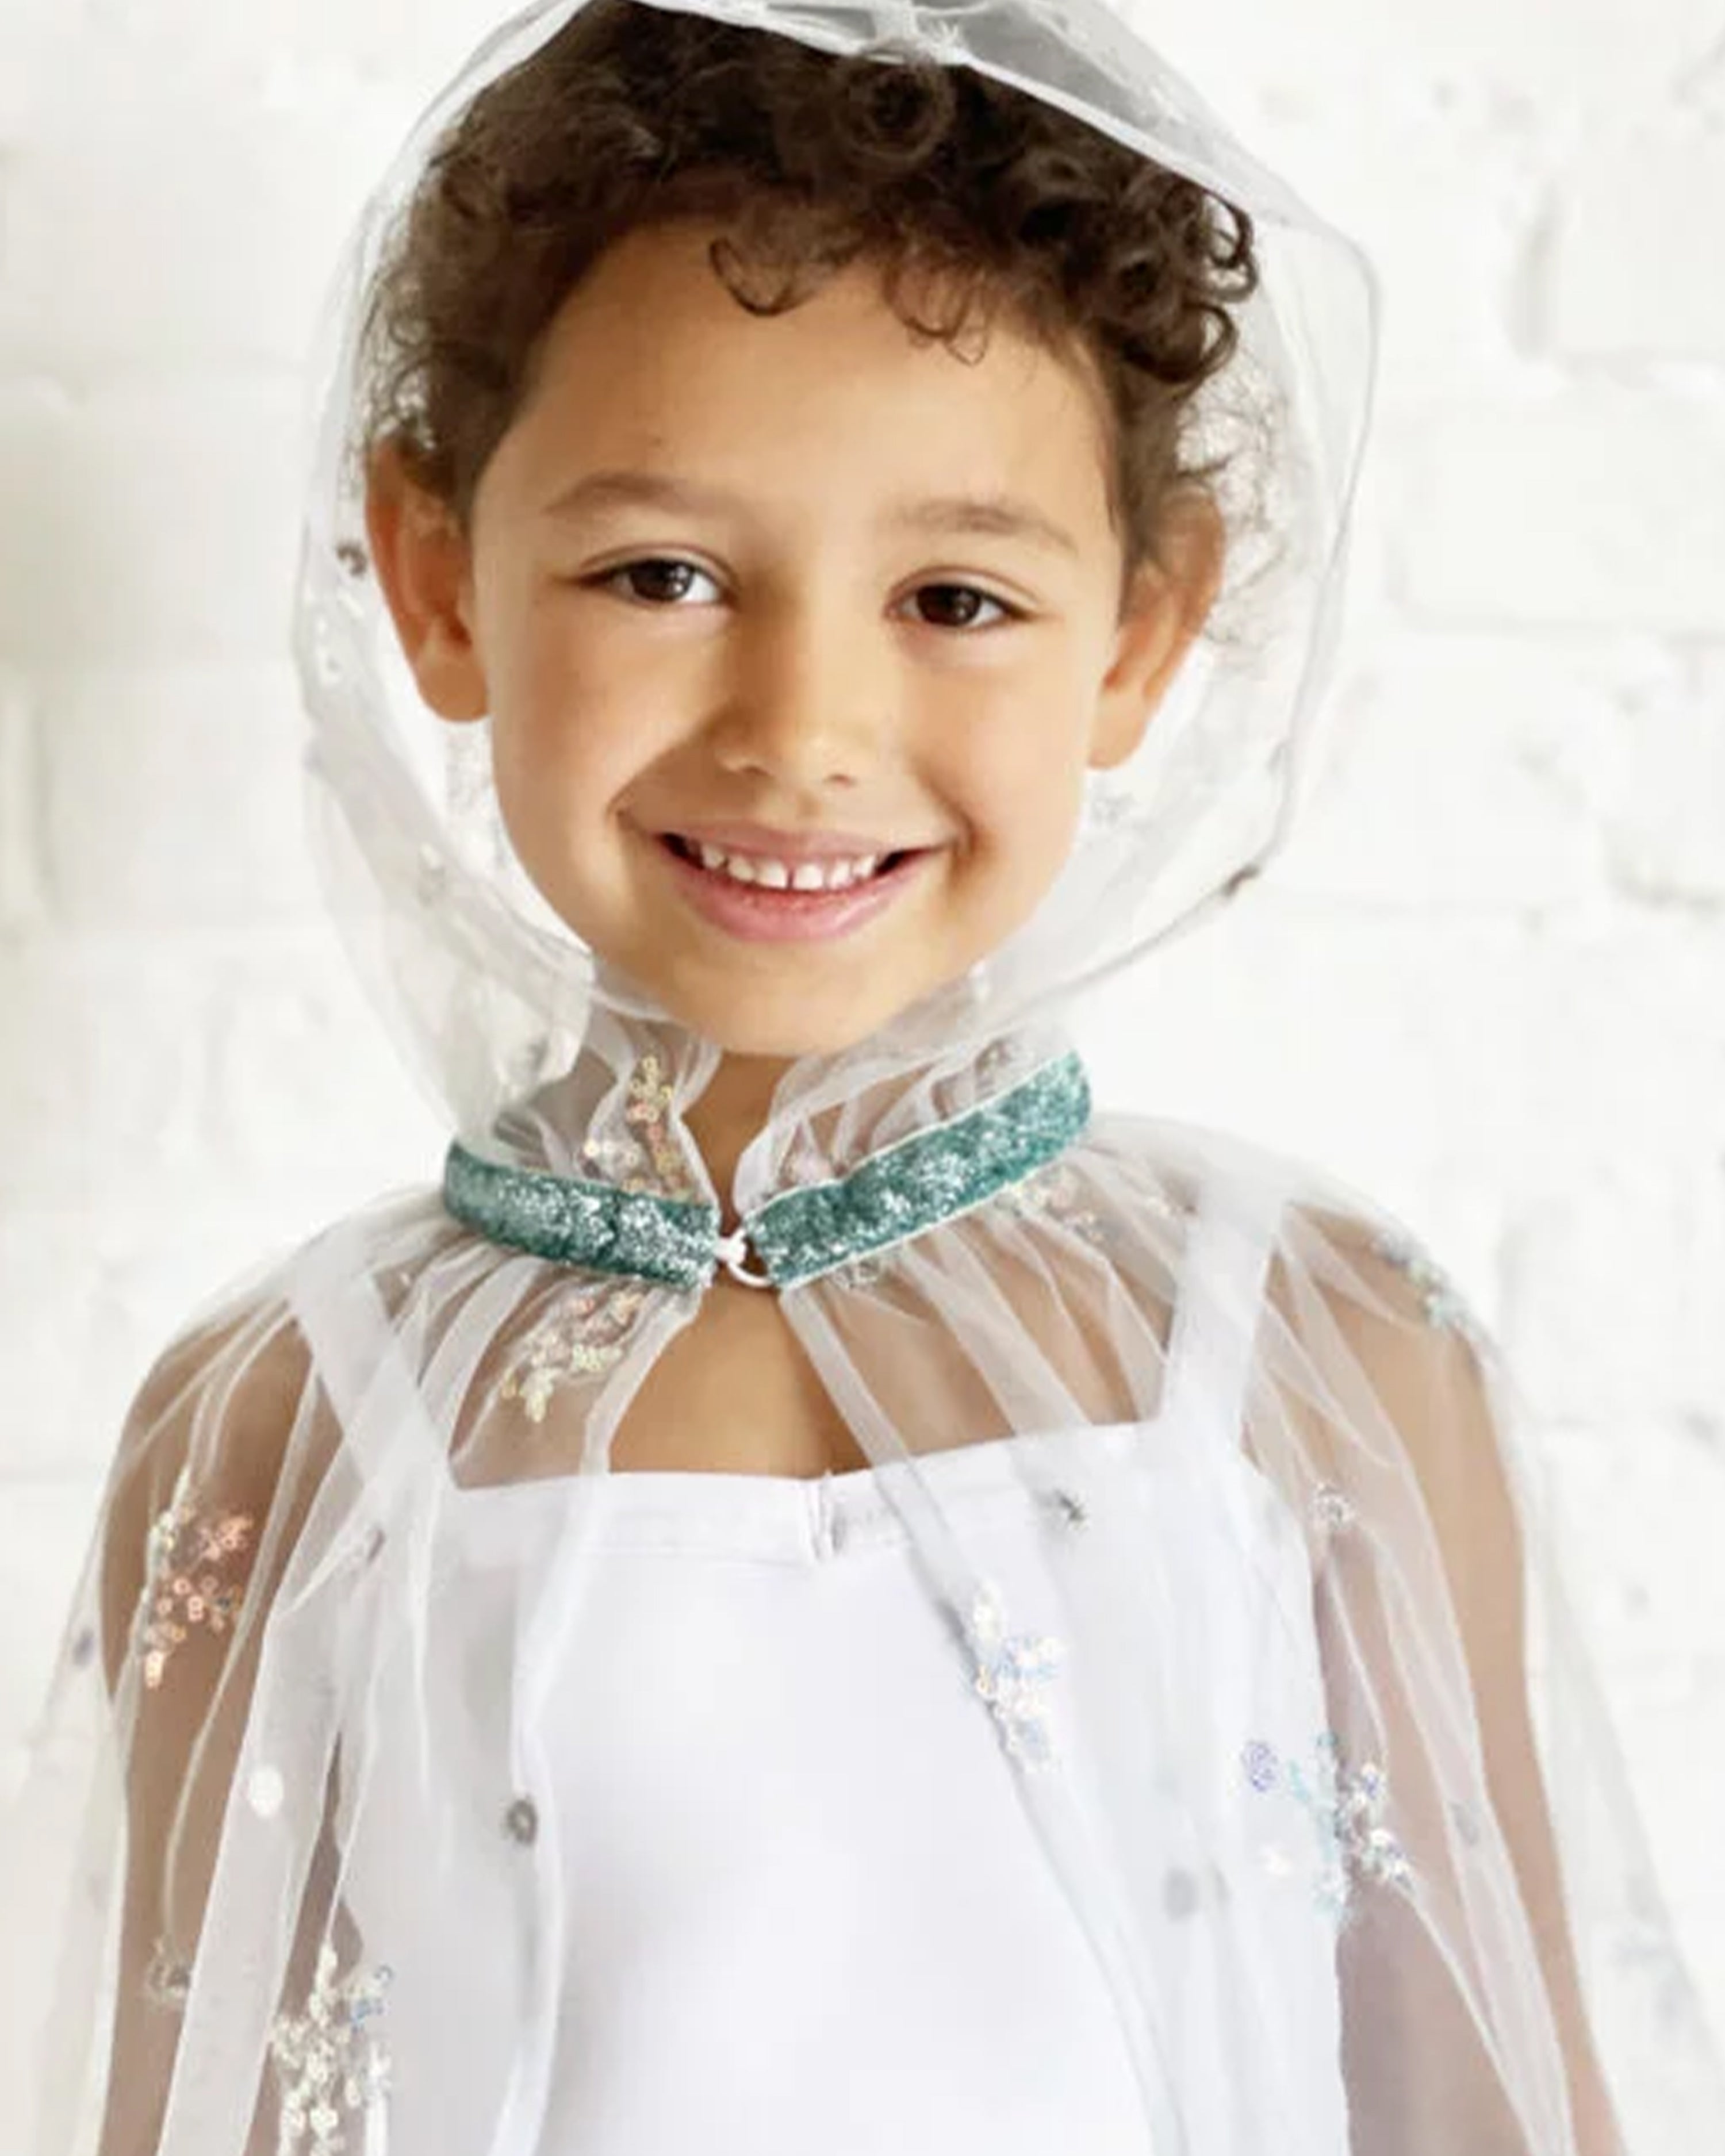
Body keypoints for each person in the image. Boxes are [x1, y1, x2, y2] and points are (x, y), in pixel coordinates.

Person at [1, 0, 1720, 2150]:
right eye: (662, 574)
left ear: (1141, 635)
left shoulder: (1317, 1356)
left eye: (954, 598)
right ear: (440, 579)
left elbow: (1474, 2102)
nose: (801, 725)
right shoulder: (281, 1419)